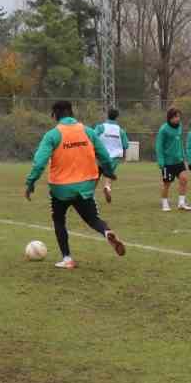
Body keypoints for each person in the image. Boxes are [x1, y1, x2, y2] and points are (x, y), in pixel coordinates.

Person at [25, 100, 126, 269]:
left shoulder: (52, 135)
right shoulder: (88, 132)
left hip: (60, 189)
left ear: (55, 115)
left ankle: (67, 258)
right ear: (72, 113)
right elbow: (104, 155)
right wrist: (109, 171)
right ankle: (106, 232)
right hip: (85, 187)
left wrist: (31, 182)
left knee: (59, 220)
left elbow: (39, 162)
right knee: (93, 219)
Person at [155, 108, 191, 212]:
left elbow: (179, 142)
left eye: (179, 116)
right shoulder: (163, 129)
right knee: (167, 183)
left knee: (184, 179)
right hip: (168, 162)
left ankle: (181, 203)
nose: (177, 119)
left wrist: (183, 156)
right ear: (170, 118)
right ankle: (165, 204)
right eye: (175, 117)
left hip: (179, 161)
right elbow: (159, 146)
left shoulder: (179, 127)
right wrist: (161, 161)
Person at [91, 107, 129, 204]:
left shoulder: (100, 127)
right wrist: (124, 155)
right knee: (109, 174)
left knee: (96, 175)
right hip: (114, 158)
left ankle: (90, 195)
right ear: (117, 117)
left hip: (100, 156)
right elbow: (125, 145)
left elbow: (92, 137)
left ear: (107, 115)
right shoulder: (120, 130)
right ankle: (107, 187)